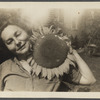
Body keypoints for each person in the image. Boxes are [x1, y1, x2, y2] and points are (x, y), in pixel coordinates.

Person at [0, 22, 96, 91]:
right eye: (9, 42)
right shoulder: (3, 68)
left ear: (26, 31)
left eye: (18, 34)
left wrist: (73, 52)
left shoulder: (53, 61)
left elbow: (89, 80)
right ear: (6, 47)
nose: (17, 42)